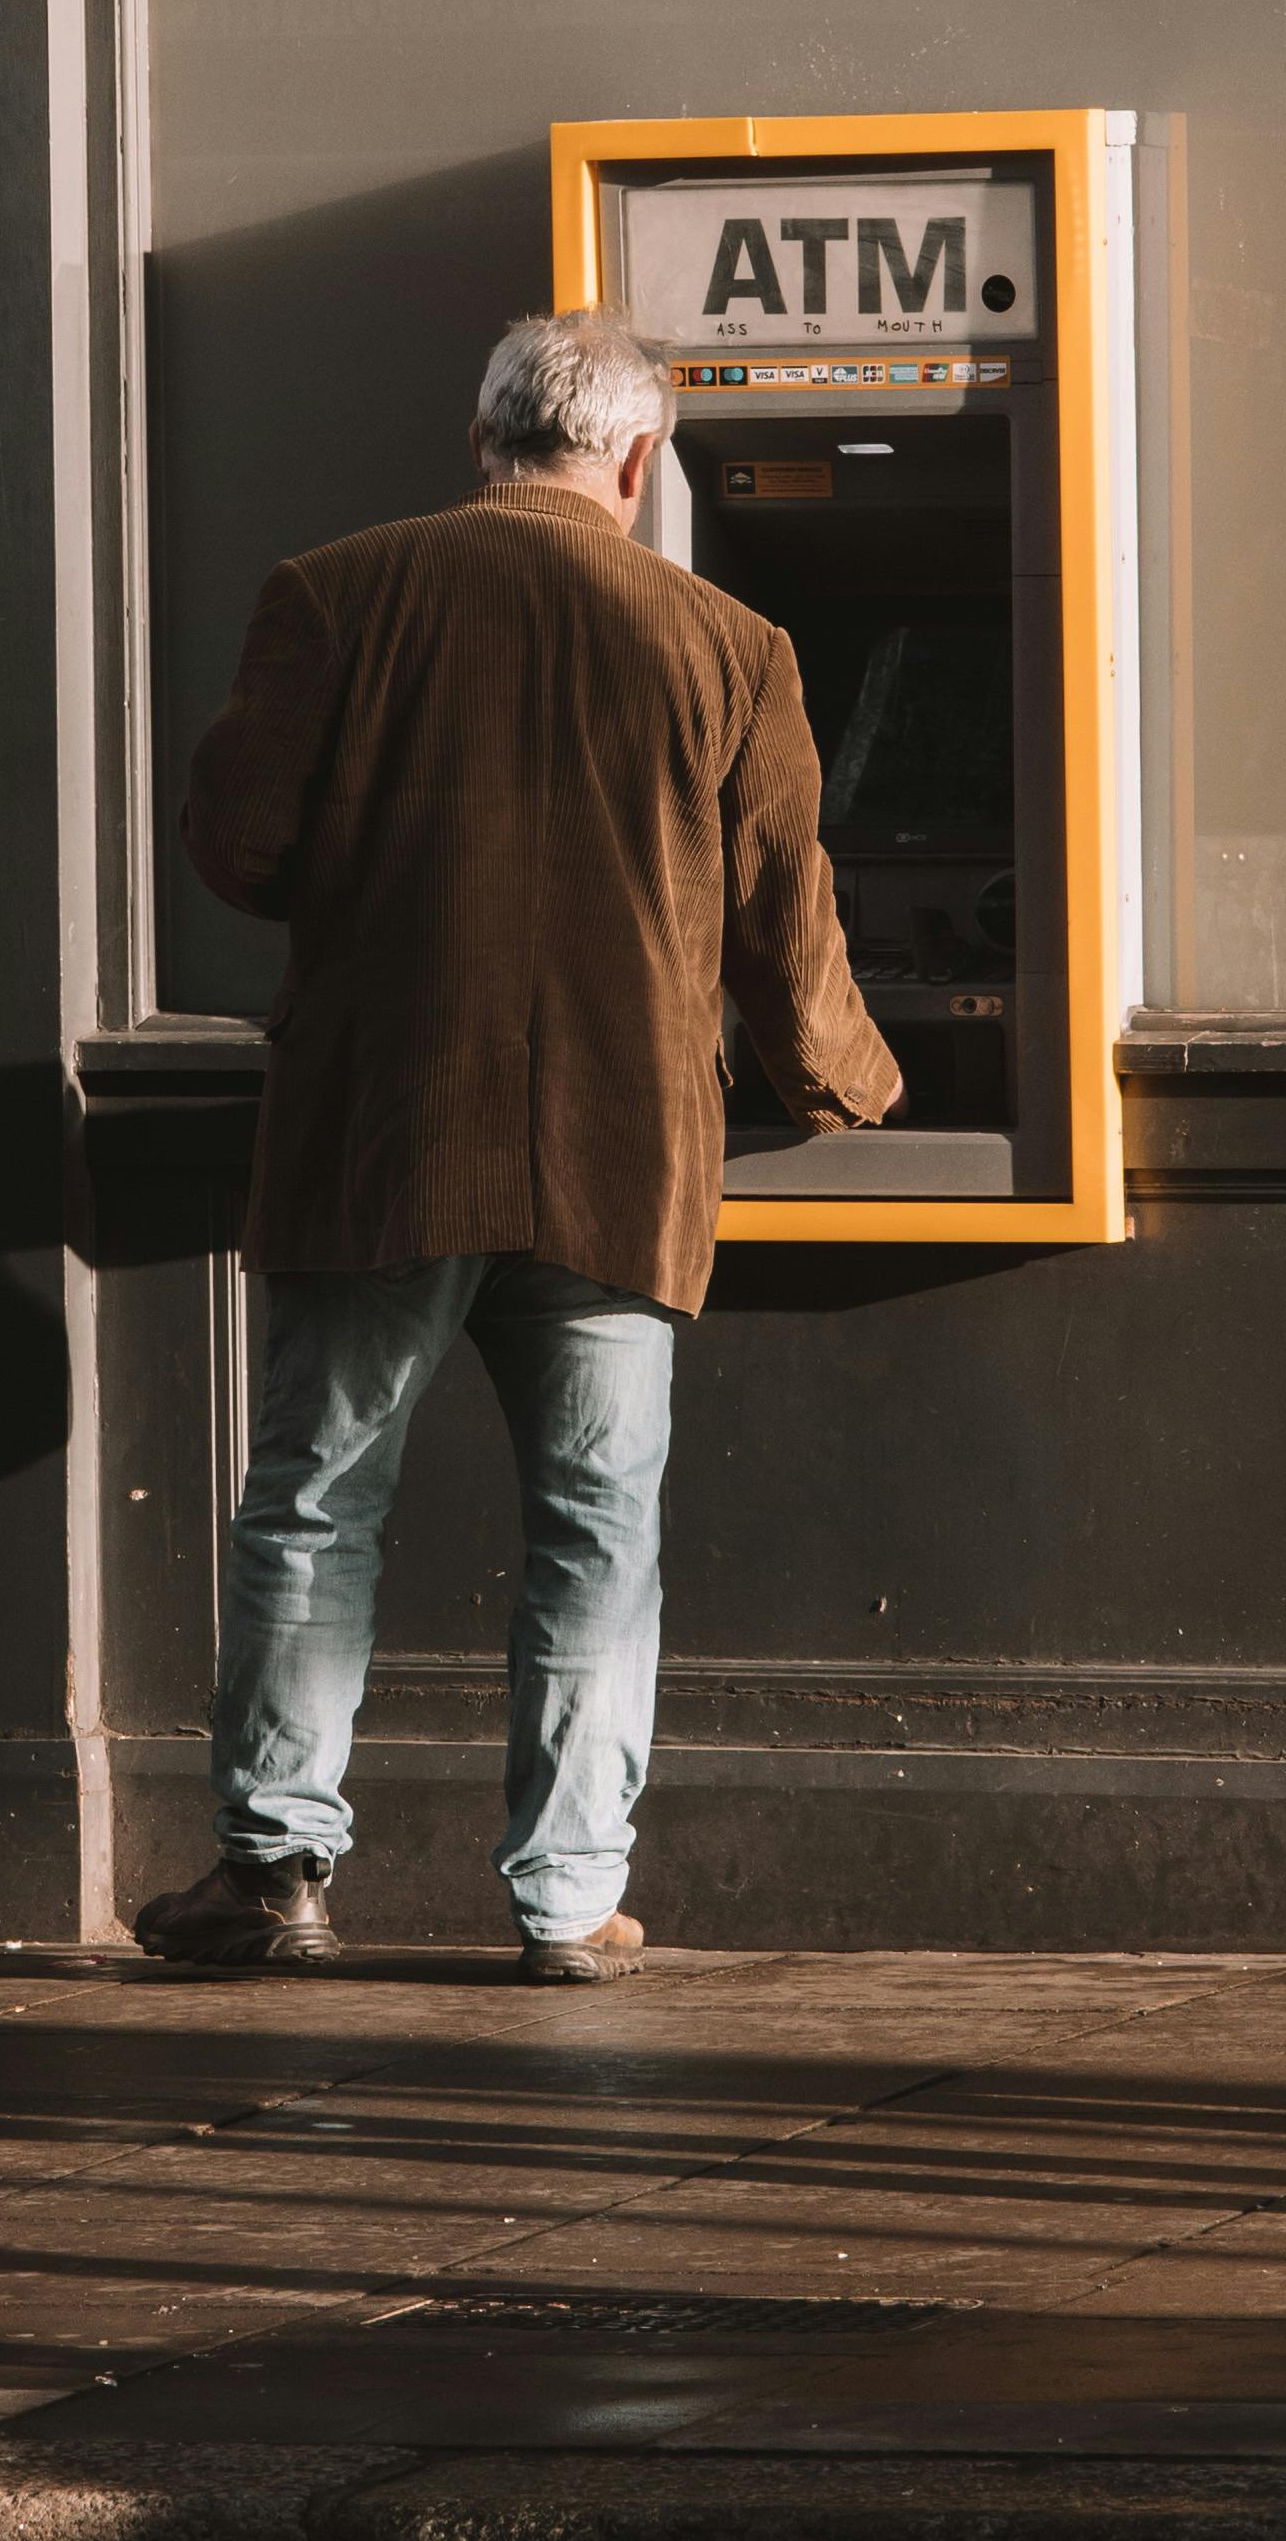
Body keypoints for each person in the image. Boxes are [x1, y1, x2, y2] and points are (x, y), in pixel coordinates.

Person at [137, 305, 900, 1985]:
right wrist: (849, 1083)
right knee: (596, 1524)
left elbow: (239, 847)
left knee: (319, 1504)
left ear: (485, 437)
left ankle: (275, 1874)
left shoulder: (330, 593)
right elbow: (786, 923)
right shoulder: (733, 644)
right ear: (636, 458)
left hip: (385, 1136)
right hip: (620, 1150)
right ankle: (567, 1900)